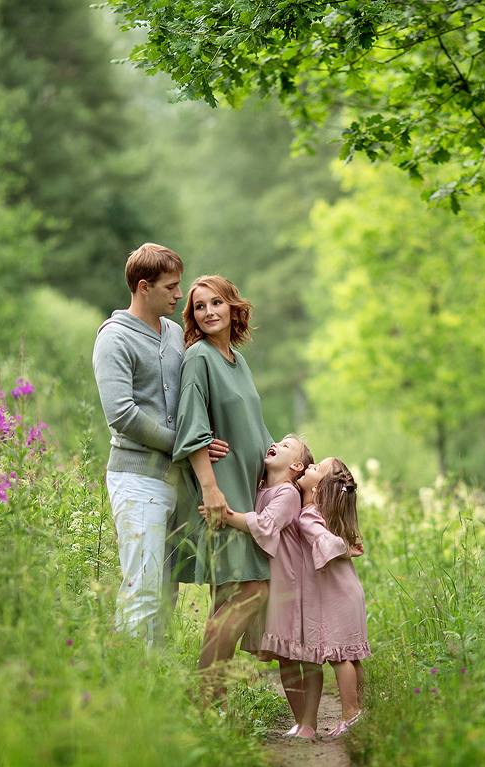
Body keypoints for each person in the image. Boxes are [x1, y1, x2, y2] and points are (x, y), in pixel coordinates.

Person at [91, 243, 227, 645]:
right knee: (143, 588)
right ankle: (129, 675)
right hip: (136, 481)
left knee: (167, 592)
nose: (179, 295)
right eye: (170, 287)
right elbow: (122, 415)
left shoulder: (174, 334)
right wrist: (187, 446)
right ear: (143, 287)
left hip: (176, 482)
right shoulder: (114, 338)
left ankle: (156, 679)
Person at [171, 275, 274, 700]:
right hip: (222, 495)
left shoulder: (237, 361)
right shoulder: (198, 358)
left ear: (233, 307)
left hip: (249, 494)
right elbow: (192, 426)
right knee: (251, 590)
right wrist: (211, 490)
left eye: (216, 303)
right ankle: (202, 697)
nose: (208, 312)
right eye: (199, 306)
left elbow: (255, 430)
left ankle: (210, 705)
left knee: (228, 599)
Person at [212, 435, 338, 739]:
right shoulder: (259, 490)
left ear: (296, 466)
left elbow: (266, 525)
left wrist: (227, 516)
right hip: (276, 587)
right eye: (278, 442)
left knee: (304, 654)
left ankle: (309, 722)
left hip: (295, 585)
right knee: (286, 655)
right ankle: (300, 722)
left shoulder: (287, 493)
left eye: (286, 445)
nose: (276, 444)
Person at [296, 457, 370, 736]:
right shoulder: (327, 515)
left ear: (318, 489)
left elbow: (326, 544)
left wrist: (343, 548)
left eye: (315, 468)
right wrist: (346, 545)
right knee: (352, 655)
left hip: (338, 596)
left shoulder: (309, 515)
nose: (309, 467)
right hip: (349, 591)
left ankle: (350, 715)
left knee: (340, 656)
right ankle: (360, 710)